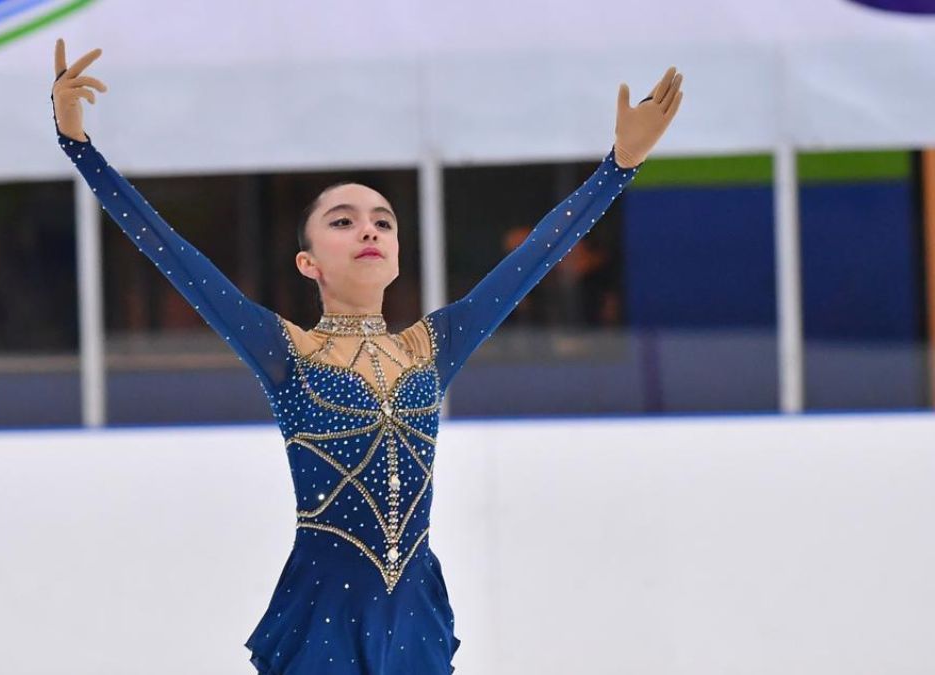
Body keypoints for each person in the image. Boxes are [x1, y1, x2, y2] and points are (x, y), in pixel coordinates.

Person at [50, 38, 682, 674]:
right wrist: (79, 147)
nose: (370, 229)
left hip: (413, 610)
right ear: (309, 262)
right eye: (344, 221)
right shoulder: (286, 351)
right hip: (323, 608)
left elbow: (533, 260)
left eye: (383, 220)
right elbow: (175, 256)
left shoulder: (430, 348)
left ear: (399, 252)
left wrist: (619, 166)